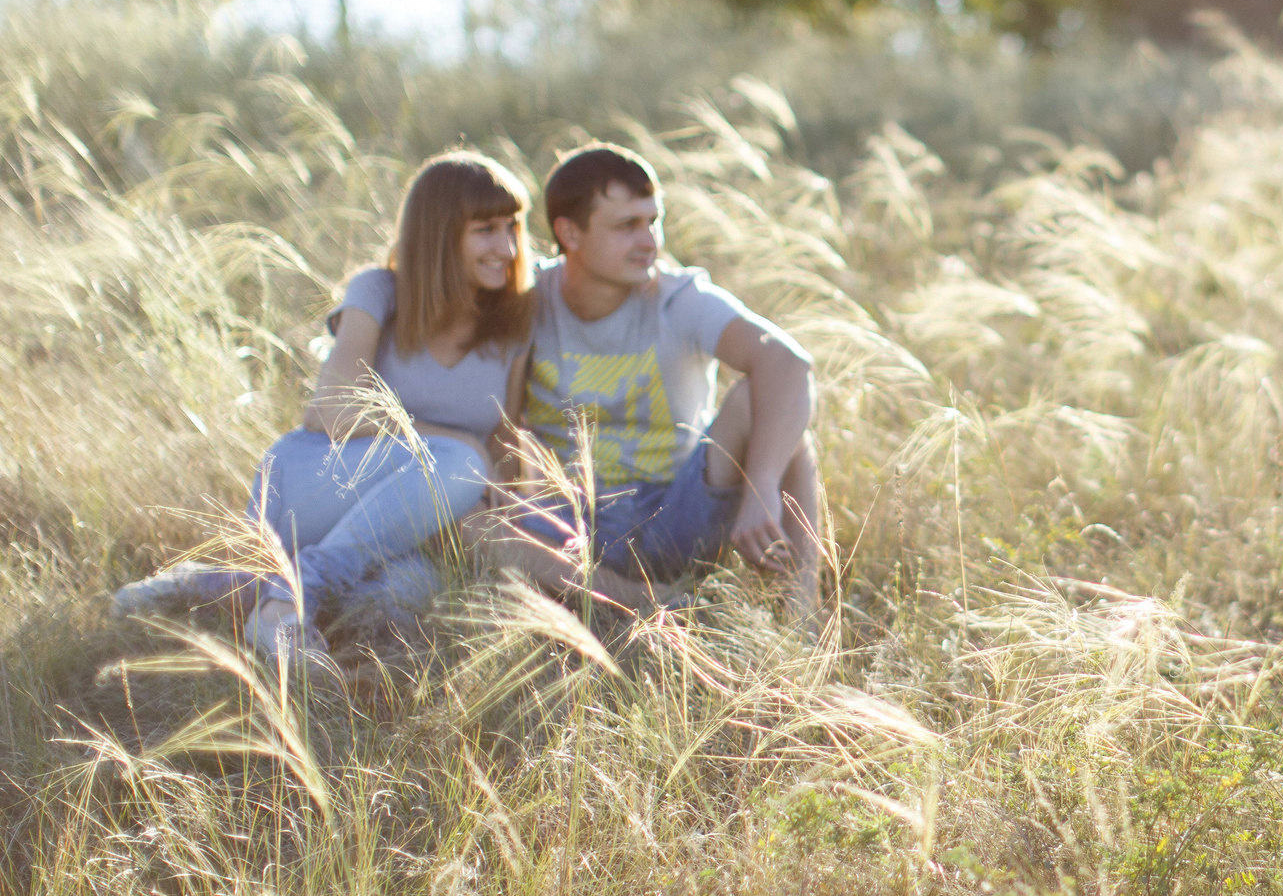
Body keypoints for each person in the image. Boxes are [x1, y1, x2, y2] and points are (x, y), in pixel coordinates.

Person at [112, 151, 536, 656]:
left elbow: (504, 445)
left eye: (512, 227)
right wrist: (457, 446)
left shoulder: (514, 323)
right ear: (440, 234)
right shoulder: (379, 291)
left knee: (404, 594)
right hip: (317, 482)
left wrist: (487, 509)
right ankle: (293, 595)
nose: (507, 247)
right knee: (462, 462)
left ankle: (221, 585)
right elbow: (331, 411)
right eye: (486, 230)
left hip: (408, 522)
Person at [481, 144, 822, 616]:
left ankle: (803, 622)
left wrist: (761, 484)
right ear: (569, 233)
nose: (649, 241)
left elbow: (788, 362)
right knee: (470, 523)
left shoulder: (679, 298)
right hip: (569, 526)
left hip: (680, 514)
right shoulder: (528, 297)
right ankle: (641, 603)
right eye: (627, 226)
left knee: (779, 421)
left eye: (653, 221)